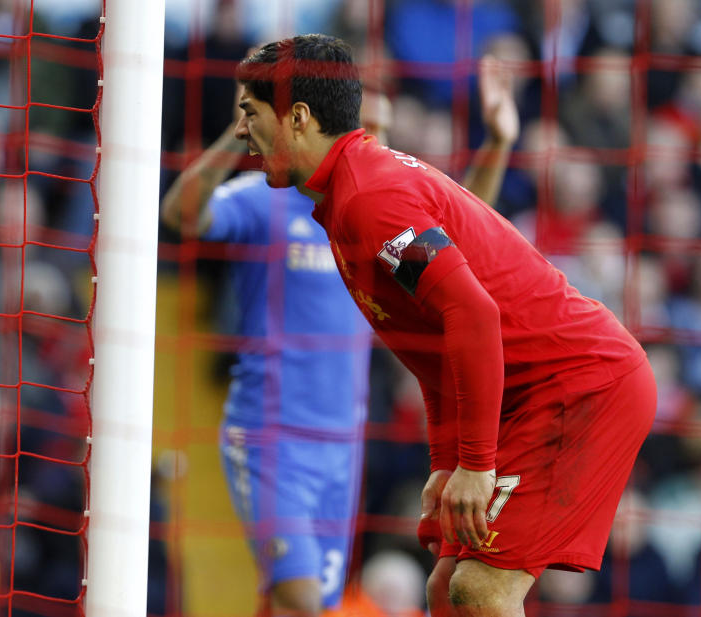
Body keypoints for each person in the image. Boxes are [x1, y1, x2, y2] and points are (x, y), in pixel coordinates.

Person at [231, 33, 656, 617]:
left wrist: (476, 462)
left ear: (298, 118)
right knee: (445, 595)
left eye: (249, 114)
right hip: (529, 393)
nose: (239, 132)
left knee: (479, 592)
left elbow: (472, 313)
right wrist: (445, 460)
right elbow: (432, 344)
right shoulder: (348, 195)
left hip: (579, 385)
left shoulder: (370, 200)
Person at [160, 47, 519, 617]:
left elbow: (462, 235)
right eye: (363, 125)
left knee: (306, 605)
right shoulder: (266, 200)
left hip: (343, 444)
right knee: (301, 599)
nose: (369, 139)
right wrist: (241, 131)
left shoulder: (379, 209)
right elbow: (182, 216)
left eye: (380, 128)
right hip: (270, 432)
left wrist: (498, 143)